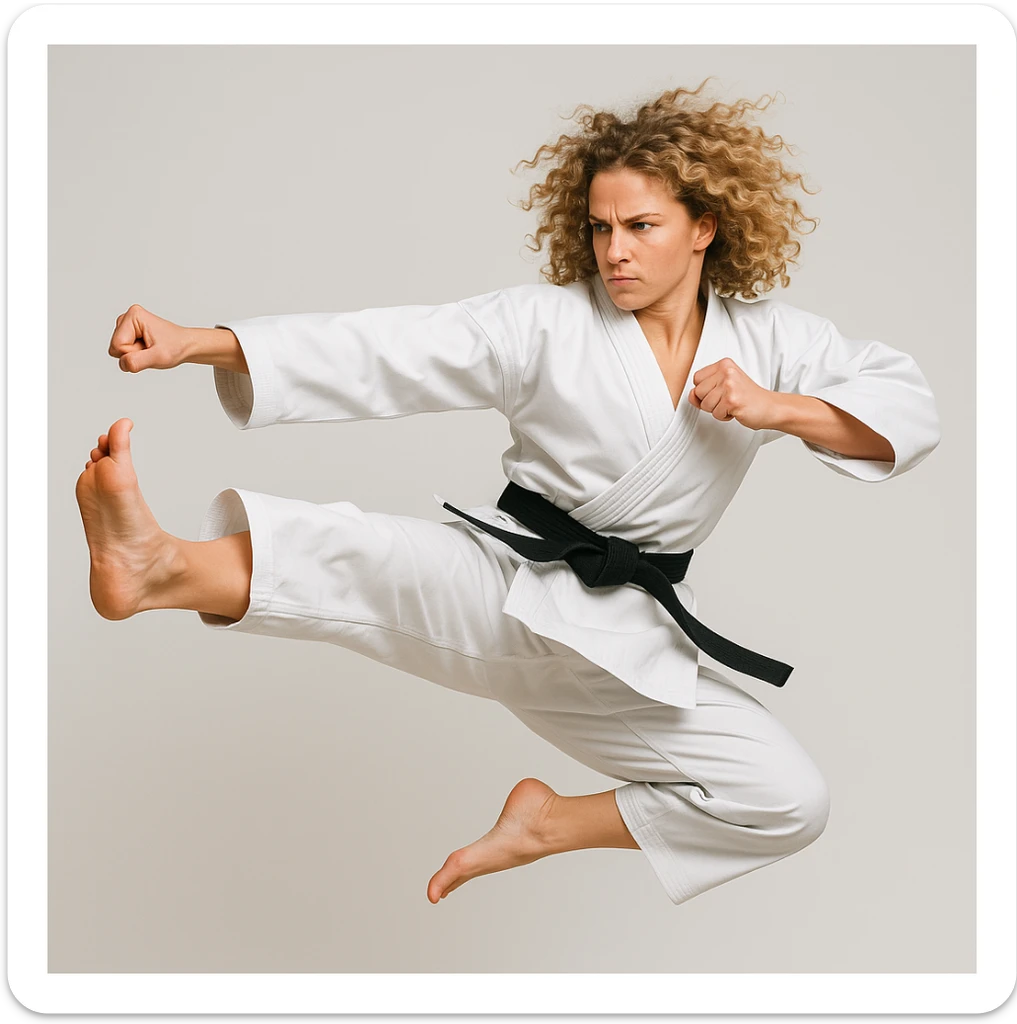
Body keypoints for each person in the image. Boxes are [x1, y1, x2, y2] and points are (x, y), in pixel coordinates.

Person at [75, 83, 941, 907]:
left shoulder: (775, 343)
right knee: (366, 560)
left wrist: (776, 407)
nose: (616, 251)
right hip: (507, 581)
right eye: (601, 228)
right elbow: (392, 350)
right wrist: (201, 343)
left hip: (624, 644)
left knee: (789, 797)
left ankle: (546, 824)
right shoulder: (548, 324)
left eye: (642, 226)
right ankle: (157, 568)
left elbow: (904, 410)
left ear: (705, 226)